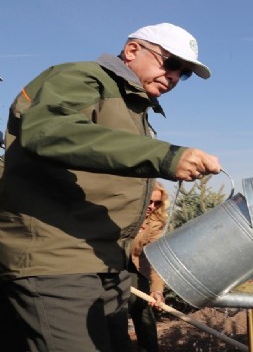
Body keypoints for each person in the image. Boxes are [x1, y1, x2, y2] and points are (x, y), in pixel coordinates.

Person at [0, 22, 221, 352]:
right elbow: (49, 130)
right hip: (57, 260)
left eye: (184, 73)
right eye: (171, 63)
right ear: (133, 50)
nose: (175, 77)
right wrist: (166, 157)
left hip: (105, 264)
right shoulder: (82, 78)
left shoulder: (136, 108)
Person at [128, 182, 169, 352]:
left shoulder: (155, 223)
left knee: (144, 309)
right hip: (108, 266)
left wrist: (157, 290)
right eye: (149, 202)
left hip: (135, 268)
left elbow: (155, 257)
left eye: (157, 203)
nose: (152, 207)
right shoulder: (123, 216)